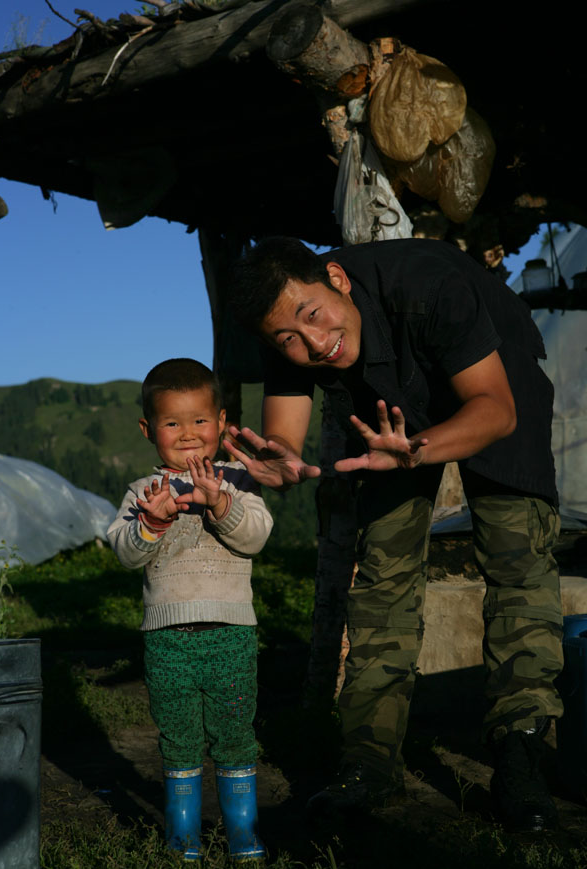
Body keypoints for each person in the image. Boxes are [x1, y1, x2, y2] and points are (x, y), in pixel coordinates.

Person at [225, 236, 564, 832]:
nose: (314, 344)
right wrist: (281, 460)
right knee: (383, 572)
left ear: (336, 278)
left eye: (314, 315)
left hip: (493, 384)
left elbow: (496, 410)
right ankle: (368, 764)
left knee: (518, 560)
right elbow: (284, 438)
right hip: (387, 422)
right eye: (289, 340)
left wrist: (419, 450)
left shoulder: (430, 288)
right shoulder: (283, 326)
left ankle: (522, 754)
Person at [107, 358, 273, 860]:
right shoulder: (143, 493)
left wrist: (220, 503)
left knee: (234, 734)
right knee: (178, 738)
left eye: (200, 420)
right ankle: (183, 839)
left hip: (232, 635)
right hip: (167, 640)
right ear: (147, 429)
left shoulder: (239, 481)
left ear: (221, 422)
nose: (187, 434)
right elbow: (124, 551)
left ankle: (242, 833)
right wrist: (151, 524)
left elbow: (256, 537)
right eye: (171, 423)